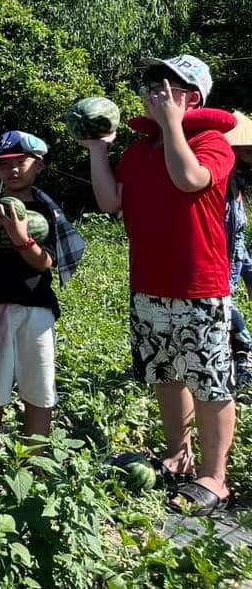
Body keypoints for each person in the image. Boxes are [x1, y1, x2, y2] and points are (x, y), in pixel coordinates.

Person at [79, 55, 237, 515]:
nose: (156, 92)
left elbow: (190, 180)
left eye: (169, 86)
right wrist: (98, 149)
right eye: (152, 85)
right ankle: (178, 453)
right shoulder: (137, 150)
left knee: (210, 384)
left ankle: (215, 477)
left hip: (199, 286)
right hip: (148, 284)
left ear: (194, 97)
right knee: (166, 376)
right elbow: (110, 202)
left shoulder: (212, 142)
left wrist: (172, 126)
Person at [0, 131, 86, 448]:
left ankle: (35, 457)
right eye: (4, 165)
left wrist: (20, 237)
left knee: (39, 386)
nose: (13, 170)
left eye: (21, 162)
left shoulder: (46, 212)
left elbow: (45, 263)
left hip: (35, 308)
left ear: (38, 165)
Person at [224, 111, 252, 395]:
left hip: (232, 268)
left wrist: (248, 271)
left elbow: (238, 236)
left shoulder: (236, 186)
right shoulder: (217, 186)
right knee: (227, 316)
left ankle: (242, 361)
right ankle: (243, 355)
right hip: (214, 272)